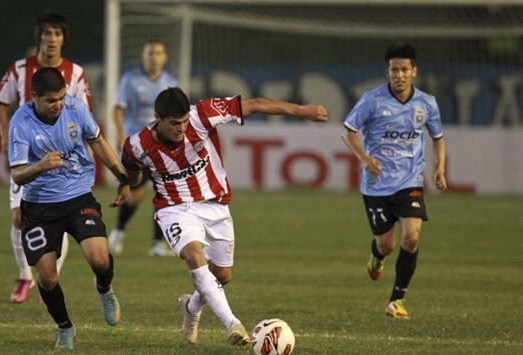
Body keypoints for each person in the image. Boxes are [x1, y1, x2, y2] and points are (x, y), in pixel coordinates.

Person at [120, 87, 328, 346]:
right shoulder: (137, 144)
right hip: (173, 209)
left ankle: (191, 306)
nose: (181, 128)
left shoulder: (202, 115)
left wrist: (300, 110)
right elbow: (130, 168)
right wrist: (125, 186)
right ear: (157, 118)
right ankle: (233, 324)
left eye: (184, 122)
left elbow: (254, 104)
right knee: (195, 256)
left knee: (222, 276)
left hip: (215, 205)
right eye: (174, 123)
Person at [8, 67, 128, 349]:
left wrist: (122, 177)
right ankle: (65, 328)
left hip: (78, 197)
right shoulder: (21, 123)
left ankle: (104, 288)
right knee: (48, 277)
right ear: (34, 97)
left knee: (99, 259)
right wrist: (40, 166)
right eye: (51, 100)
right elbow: (17, 175)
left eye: (61, 97)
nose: (58, 105)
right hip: (39, 207)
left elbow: (96, 141)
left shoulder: (75, 108)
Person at [341, 44, 447, 319]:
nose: (399, 75)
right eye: (393, 70)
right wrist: (364, 158)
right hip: (376, 184)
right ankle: (377, 257)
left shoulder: (427, 103)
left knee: (411, 238)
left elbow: (438, 138)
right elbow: (348, 132)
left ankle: (396, 301)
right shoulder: (371, 100)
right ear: (387, 72)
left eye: (404, 69)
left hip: (410, 181)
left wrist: (439, 169)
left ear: (414, 71)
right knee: (387, 244)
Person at [0, 13, 93, 303]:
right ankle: (25, 275)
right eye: (47, 33)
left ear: (63, 38)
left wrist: (85, 148)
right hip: (26, 156)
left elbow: (83, 114)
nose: (52, 39)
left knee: (59, 216)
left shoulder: (75, 73)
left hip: (61, 157)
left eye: (57, 34)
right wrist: (4, 134)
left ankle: (50, 279)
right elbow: (2, 104)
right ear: (39, 37)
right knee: (18, 217)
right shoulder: (19, 69)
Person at [108, 40, 178, 257]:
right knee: (136, 194)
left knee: (165, 193)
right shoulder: (130, 79)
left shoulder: (171, 83)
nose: (154, 57)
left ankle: (157, 242)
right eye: (150, 53)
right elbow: (118, 109)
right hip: (137, 146)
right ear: (143, 56)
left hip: (162, 147)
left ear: (164, 57)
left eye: (158, 53)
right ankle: (119, 230)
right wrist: (121, 134)